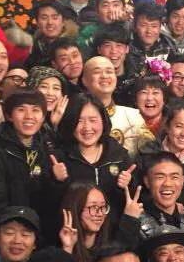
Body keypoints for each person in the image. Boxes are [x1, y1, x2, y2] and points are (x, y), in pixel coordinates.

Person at [0, 89, 67, 245]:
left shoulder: (46, 148)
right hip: (8, 239)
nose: (29, 116)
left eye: (36, 110)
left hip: (39, 239)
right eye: (21, 109)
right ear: (9, 116)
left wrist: (57, 181)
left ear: (43, 117)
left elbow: (50, 205)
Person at [57, 93, 137, 222]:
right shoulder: (60, 158)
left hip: (114, 232)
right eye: (79, 121)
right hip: (73, 231)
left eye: (93, 120)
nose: (87, 127)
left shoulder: (119, 155)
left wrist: (127, 186)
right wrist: (57, 182)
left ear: (103, 120)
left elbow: (132, 205)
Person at [59, 181, 140, 262]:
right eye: (93, 207)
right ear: (76, 209)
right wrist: (67, 248)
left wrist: (130, 220)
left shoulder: (110, 244)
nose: (100, 213)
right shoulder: (61, 247)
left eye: (103, 207)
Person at [80, 55, 147, 155]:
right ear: (84, 80)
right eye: (97, 72)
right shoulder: (75, 116)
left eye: (109, 71)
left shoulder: (132, 117)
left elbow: (150, 156)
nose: (104, 76)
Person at [25, 0, 79, 70]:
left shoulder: (76, 44)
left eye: (55, 18)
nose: (50, 22)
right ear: (37, 23)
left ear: (63, 21)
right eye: (44, 18)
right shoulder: (33, 47)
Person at [93, 21, 137, 106]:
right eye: (107, 45)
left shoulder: (138, 75)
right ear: (99, 49)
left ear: (127, 49)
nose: (114, 51)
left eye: (119, 45)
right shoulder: (93, 79)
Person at [127, 2, 171, 80]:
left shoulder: (168, 50)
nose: (149, 31)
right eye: (143, 25)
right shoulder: (127, 51)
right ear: (135, 26)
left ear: (160, 27)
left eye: (154, 26)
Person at [27, 65, 70, 130]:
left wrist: (54, 124)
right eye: (44, 87)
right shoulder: (25, 117)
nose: (50, 93)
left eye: (56, 88)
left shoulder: (68, 119)